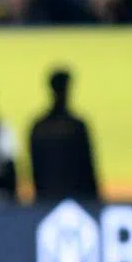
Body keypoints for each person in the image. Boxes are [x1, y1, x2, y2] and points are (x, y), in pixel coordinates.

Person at [29, 68, 99, 204]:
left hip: (46, 196)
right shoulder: (77, 126)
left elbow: (34, 169)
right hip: (78, 196)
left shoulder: (39, 126)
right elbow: (88, 168)